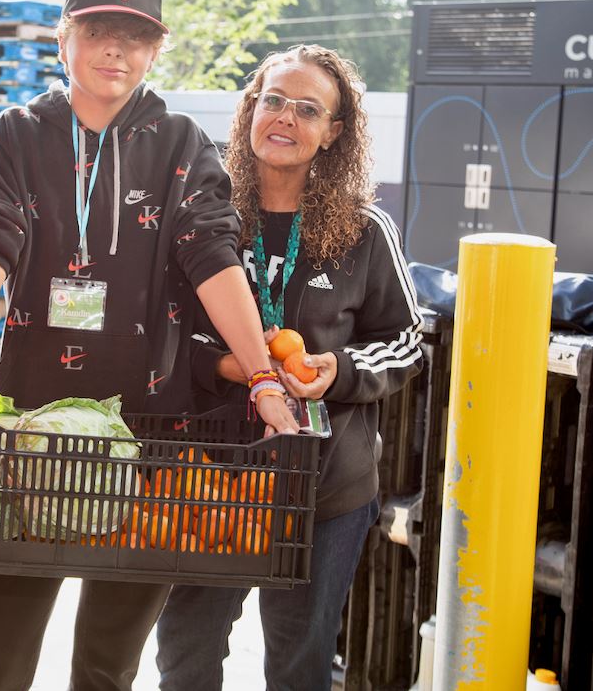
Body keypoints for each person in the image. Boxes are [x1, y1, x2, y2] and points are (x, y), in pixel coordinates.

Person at [0, 0, 296, 691]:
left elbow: (214, 259)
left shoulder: (181, 145)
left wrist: (262, 375)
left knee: (107, 667)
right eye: (99, 30)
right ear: (64, 39)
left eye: (135, 37)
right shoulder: (18, 134)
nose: (116, 51)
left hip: (152, 440)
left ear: (155, 50)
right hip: (28, 438)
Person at [154, 44, 423, 691]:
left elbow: (408, 341)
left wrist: (340, 370)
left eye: (308, 109)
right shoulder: (197, 213)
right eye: (273, 99)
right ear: (250, 109)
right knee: (186, 657)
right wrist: (232, 365)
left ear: (333, 133)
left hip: (326, 491)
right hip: (210, 482)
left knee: (301, 666)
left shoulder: (364, 231)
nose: (285, 117)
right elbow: (159, 332)